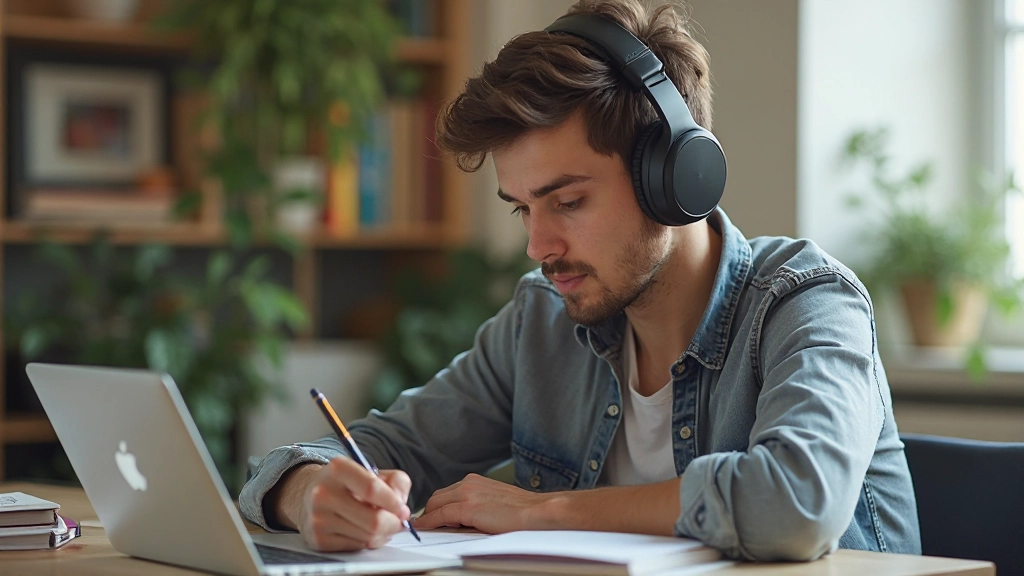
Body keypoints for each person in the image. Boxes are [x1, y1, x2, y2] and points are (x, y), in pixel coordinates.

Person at [239, 0, 921, 561]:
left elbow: (795, 505)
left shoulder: (807, 302)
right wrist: (309, 494)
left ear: (674, 180)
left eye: (568, 202)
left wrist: (546, 512)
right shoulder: (542, 320)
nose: (538, 245)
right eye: (524, 208)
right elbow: (375, 448)